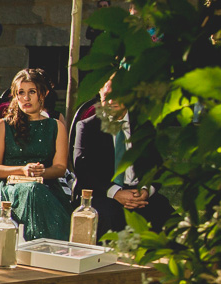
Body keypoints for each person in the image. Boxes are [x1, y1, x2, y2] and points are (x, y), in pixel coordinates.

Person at [71, 79, 175, 237]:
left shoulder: (144, 124)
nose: (112, 102)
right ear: (100, 95)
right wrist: (116, 193)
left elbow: (157, 165)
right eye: (107, 97)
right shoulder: (88, 126)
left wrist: (146, 190)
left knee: (172, 223)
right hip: (104, 192)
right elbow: (82, 170)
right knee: (108, 218)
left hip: (139, 193)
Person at [0, 68, 70, 241]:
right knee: (33, 191)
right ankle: (40, 246)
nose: (26, 98)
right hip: (6, 187)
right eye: (20, 93)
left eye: (32, 92)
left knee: (36, 190)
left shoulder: (56, 126)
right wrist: (23, 170)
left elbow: (60, 168)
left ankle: (55, 249)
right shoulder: (1, 126)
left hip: (45, 184)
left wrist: (41, 172)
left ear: (44, 93)